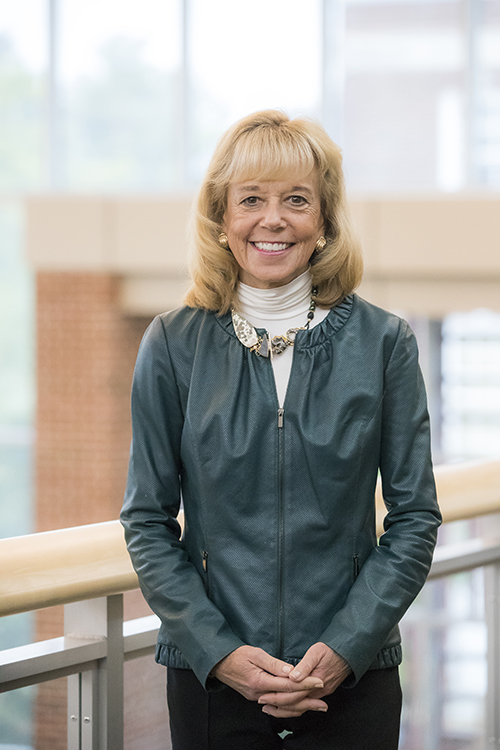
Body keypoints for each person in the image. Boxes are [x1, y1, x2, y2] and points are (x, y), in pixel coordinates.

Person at [120, 110, 441, 749]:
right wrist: (221, 653)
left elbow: (414, 519)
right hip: (214, 684)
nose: (273, 219)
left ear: (323, 222)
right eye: (251, 200)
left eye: (296, 200)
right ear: (221, 219)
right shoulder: (172, 346)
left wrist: (346, 647)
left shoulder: (385, 343)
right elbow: (148, 522)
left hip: (353, 682)